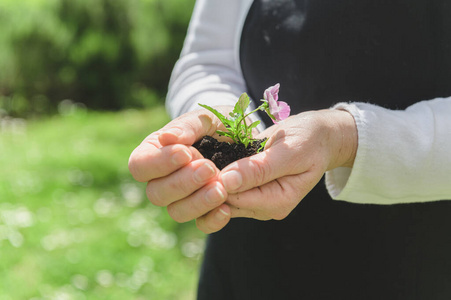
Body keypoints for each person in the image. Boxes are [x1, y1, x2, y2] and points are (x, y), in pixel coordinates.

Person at [129, 0, 451, 299]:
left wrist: (345, 138)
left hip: (416, 260)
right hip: (251, 255)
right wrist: (230, 125)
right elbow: (207, 60)